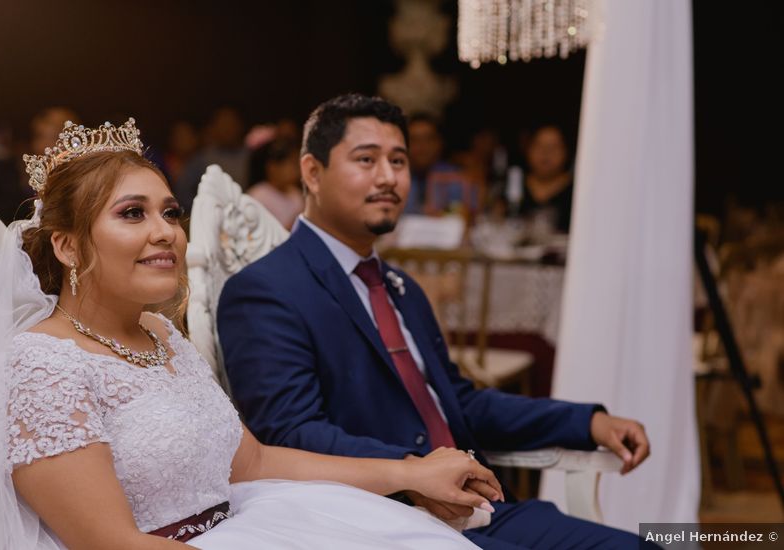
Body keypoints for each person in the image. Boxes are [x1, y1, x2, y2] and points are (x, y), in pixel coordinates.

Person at [0, 118, 502, 549]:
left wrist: (409, 471)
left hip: (248, 522)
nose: (166, 231)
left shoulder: (162, 337)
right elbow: (111, 544)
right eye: (132, 213)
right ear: (66, 245)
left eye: (170, 212)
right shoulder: (44, 365)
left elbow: (255, 462)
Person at [218, 94, 656, 549]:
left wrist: (586, 423)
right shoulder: (267, 289)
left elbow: (459, 403)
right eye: (366, 160)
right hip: (385, 522)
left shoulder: (398, 286)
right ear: (312, 171)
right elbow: (291, 433)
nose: (388, 177)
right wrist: (413, 470)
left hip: (483, 512)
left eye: (398, 160)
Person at [516, 125, 574, 233]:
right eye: (539, 145)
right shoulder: (511, 186)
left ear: (566, 151)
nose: (546, 153)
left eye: (554, 147)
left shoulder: (577, 192)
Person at [247, 134, 303, 229]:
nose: (296, 169)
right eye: (292, 163)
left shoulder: (296, 194)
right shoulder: (257, 196)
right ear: (272, 167)